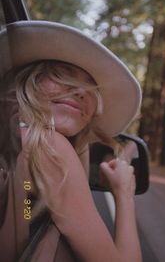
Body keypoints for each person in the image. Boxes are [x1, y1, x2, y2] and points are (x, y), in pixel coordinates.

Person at [0, 21, 142, 262]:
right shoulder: (49, 147)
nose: (79, 91)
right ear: (28, 82)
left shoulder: (15, 139)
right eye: (60, 75)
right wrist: (124, 193)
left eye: (90, 89)